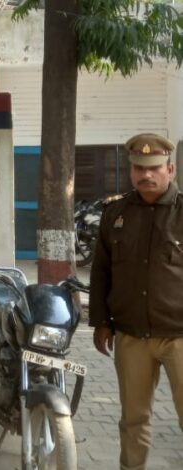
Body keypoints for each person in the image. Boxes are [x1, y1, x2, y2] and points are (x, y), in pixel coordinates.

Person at [89, 133, 183, 470]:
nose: (146, 174)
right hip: (131, 336)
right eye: (139, 168)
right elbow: (101, 271)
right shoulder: (115, 213)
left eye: (154, 167)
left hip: (179, 335)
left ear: (170, 169)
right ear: (131, 170)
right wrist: (101, 322)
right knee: (133, 419)